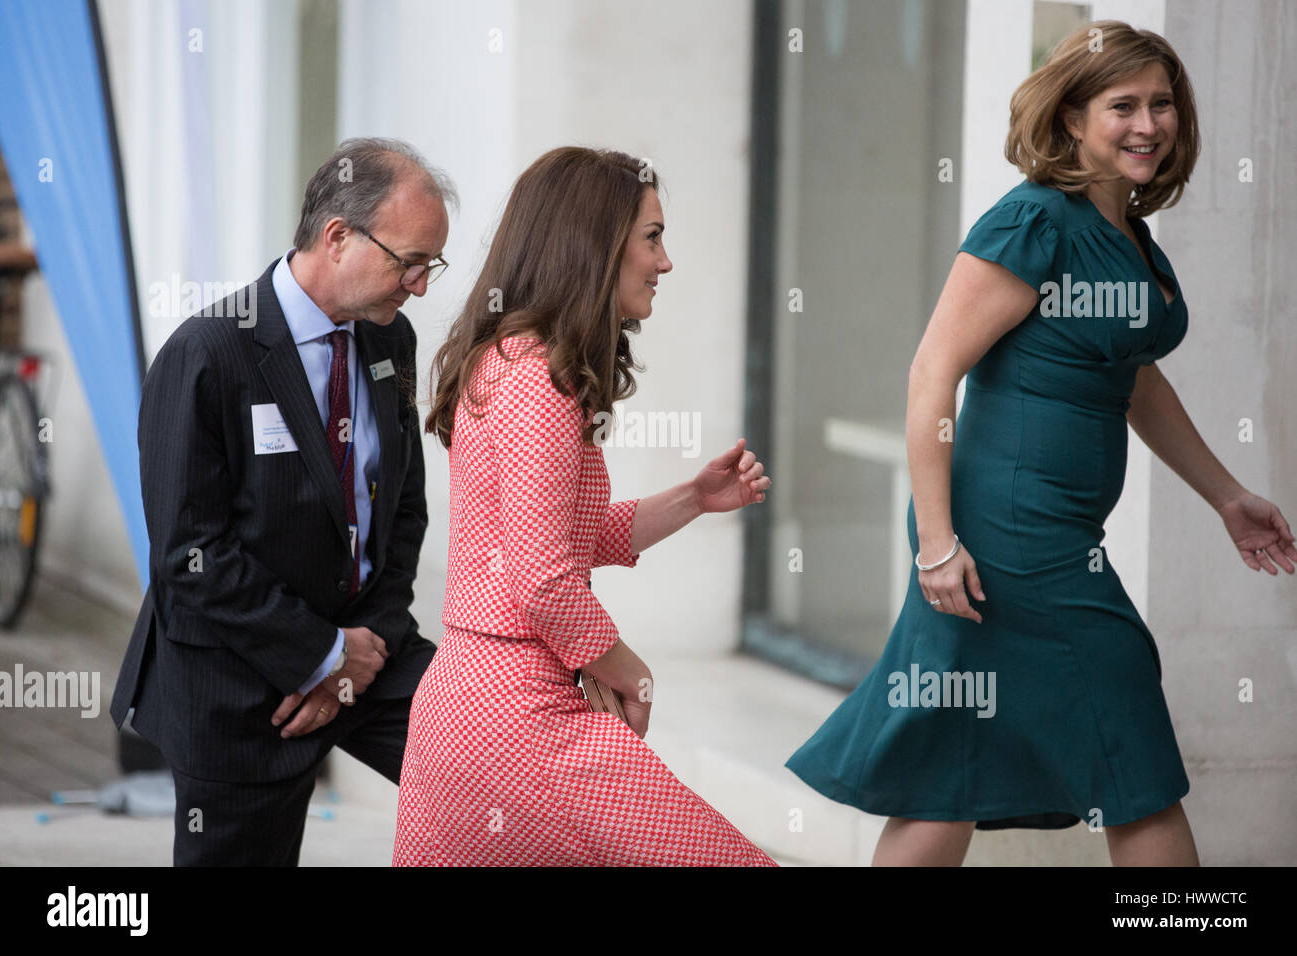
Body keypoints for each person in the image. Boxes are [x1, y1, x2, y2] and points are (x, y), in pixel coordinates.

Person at [785, 20, 1296, 866]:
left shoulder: (1126, 231)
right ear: (1070, 119)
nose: (1147, 125)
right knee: (1131, 746)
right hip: (1007, 535)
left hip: (1039, 532)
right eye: (1122, 106)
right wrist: (939, 544)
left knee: (946, 765)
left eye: (1161, 104)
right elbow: (930, 376)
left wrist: (1226, 496)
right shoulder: (1032, 222)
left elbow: (1131, 379)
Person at [393, 146, 776, 866]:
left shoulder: (507, 359)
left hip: (470, 704)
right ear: (595, 245)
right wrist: (631, 673)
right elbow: (542, 578)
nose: (665, 262)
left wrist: (693, 498)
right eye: (653, 238)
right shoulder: (539, 377)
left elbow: (558, 535)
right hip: (521, 717)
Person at [110, 137, 453, 865]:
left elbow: (404, 510)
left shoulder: (389, 340)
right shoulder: (208, 355)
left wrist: (362, 653)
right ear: (337, 237)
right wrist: (319, 655)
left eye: (432, 265)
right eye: (410, 261)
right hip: (240, 678)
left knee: (496, 766)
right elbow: (189, 557)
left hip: (370, 649)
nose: (420, 284)